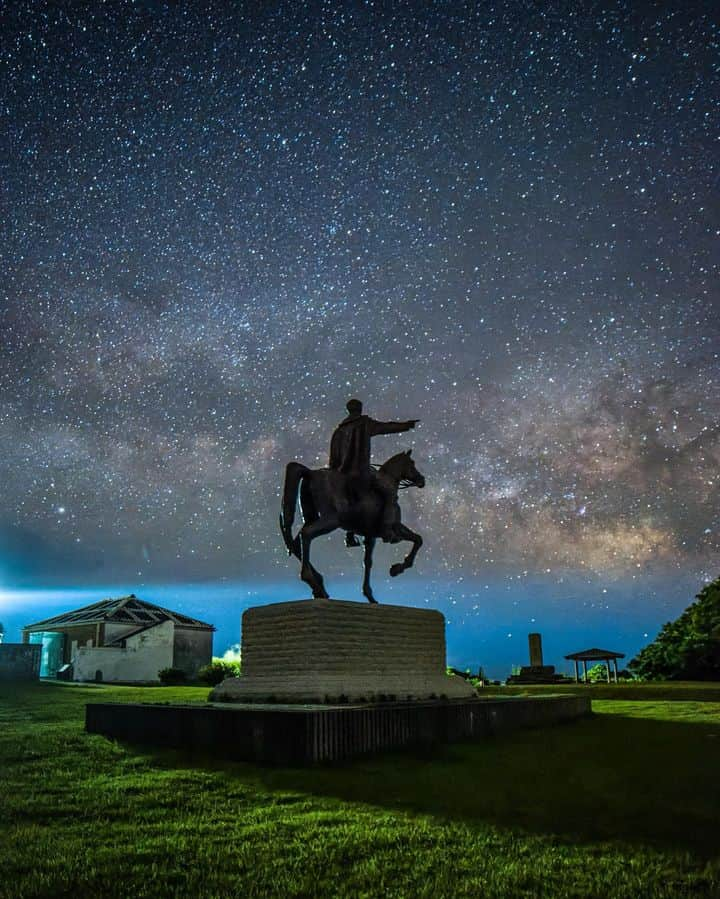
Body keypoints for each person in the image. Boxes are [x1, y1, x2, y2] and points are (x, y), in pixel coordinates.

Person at [329, 399, 419, 543]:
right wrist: (406, 425)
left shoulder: (339, 430)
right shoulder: (363, 424)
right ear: (360, 409)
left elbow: (333, 457)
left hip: (341, 473)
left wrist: (335, 473)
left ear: (348, 410)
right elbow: (386, 427)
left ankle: (351, 534)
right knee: (390, 494)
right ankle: (387, 530)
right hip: (360, 471)